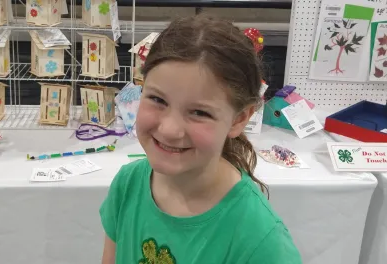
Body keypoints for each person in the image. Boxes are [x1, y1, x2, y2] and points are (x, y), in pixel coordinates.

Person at [100, 14, 302, 264]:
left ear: (239, 119)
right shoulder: (127, 185)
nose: (170, 130)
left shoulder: (261, 242)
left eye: (199, 112)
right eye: (157, 99)